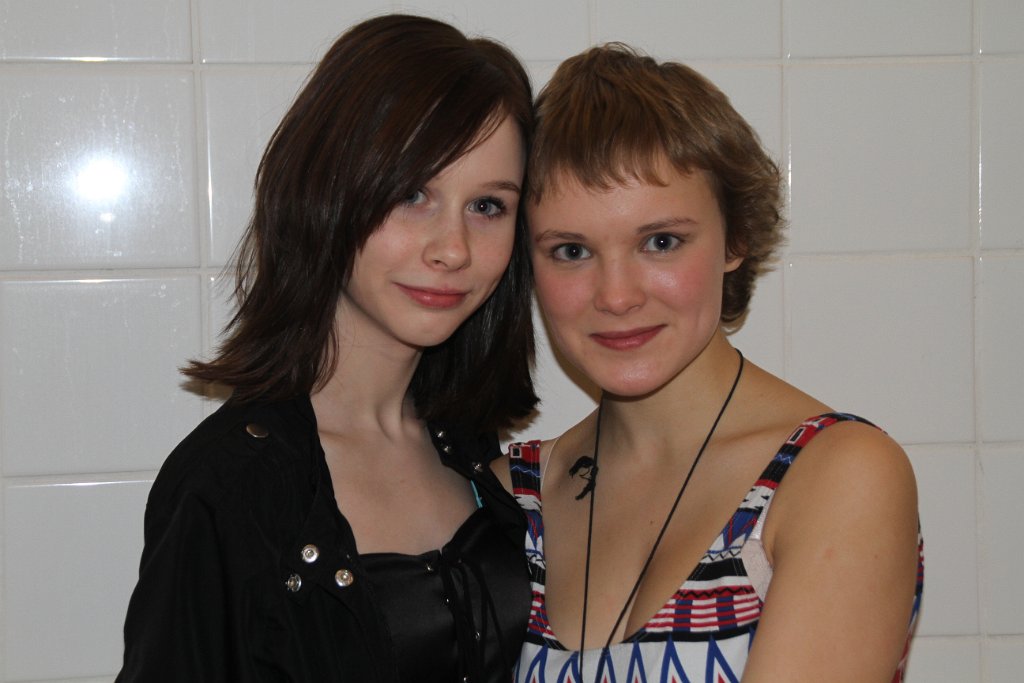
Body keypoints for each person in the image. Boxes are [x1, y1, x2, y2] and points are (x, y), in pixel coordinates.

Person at [117, 14, 538, 682]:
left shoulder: (470, 447)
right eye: (412, 193)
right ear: (325, 191)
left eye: (487, 205)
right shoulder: (228, 487)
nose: (453, 249)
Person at [500, 44, 923, 682]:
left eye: (660, 241)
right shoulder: (511, 495)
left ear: (737, 238)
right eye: (571, 251)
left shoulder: (835, 476)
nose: (616, 296)